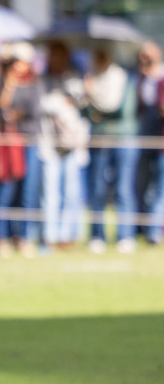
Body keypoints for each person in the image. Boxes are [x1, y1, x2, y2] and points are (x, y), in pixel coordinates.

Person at [0, 43, 42, 256]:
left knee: (28, 191)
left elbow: (34, 111)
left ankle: (24, 236)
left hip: (28, 142)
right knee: (5, 190)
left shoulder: (34, 84)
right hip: (7, 144)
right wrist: (8, 86)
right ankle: (2, 236)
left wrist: (17, 114)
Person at [83, 47, 139, 252]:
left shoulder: (122, 78)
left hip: (123, 140)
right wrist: (90, 100)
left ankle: (125, 236)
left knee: (123, 189)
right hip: (100, 140)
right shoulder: (92, 79)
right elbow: (87, 111)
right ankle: (97, 236)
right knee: (97, 189)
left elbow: (116, 108)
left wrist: (92, 96)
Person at [37, 42, 89, 250]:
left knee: (72, 190)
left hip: (73, 143)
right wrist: (62, 102)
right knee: (49, 192)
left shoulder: (76, 78)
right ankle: (49, 235)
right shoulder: (43, 81)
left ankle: (68, 235)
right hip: (50, 143)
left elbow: (82, 102)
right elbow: (44, 104)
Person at [136, 41, 164, 245]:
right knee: (146, 186)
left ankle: (154, 232)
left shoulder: (161, 79)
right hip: (147, 138)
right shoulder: (139, 79)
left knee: (160, 189)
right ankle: (149, 231)